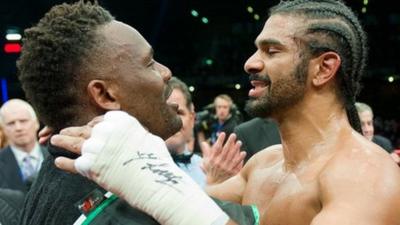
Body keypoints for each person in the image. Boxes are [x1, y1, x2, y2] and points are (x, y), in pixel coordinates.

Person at [51, 0, 400, 225]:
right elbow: (159, 207)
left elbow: (179, 205)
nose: (251, 62)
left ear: (323, 69)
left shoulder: (367, 178)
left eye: (272, 50)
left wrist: (156, 184)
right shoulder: (261, 165)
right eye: (255, 49)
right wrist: (119, 152)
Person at [16, 2, 253, 225]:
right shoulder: (124, 208)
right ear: (105, 95)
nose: (166, 72)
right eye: (149, 63)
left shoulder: (56, 180)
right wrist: (173, 194)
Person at [0, 99, 47, 192]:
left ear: (36, 123)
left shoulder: (56, 156)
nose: (18, 128)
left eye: (23, 121)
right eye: (11, 123)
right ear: (3, 129)